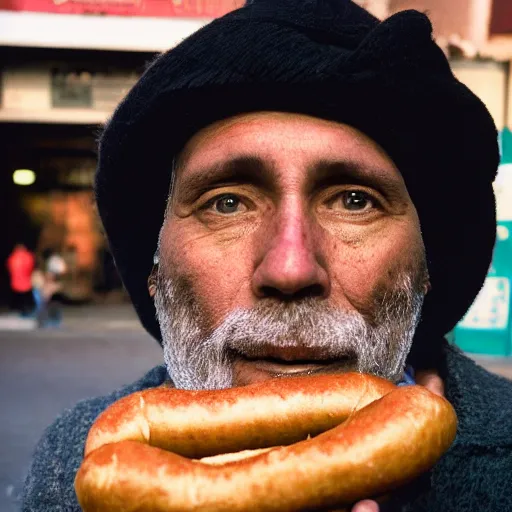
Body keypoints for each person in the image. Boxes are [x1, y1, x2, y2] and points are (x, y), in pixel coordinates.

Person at [22, 1, 512, 511]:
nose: (290, 269)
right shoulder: (73, 465)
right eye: (227, 204)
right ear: (155, 267)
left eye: (354, 200)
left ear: (426, 264)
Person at [6, 243, 35, 317]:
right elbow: (31, 267)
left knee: (17, 298)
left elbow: (9, 268)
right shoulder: (28, 256)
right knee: (26, 298)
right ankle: (26, 311)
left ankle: (16, 310)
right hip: (26, 282)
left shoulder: (12, 257)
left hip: (15, 282)